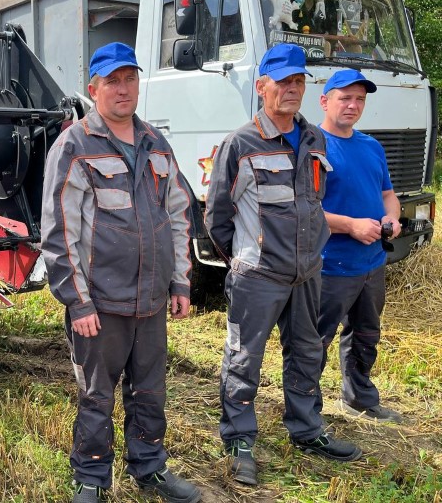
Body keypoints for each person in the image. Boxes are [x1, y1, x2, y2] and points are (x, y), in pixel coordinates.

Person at [41, 42, 201, 503]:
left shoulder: (156, 143)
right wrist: (78, 302)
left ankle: (149, 467)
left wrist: (180, 281)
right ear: (93, 89)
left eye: (130, 78)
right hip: (101, 303)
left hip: (150, 300)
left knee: (150, 390)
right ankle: (90, 478)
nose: (123, 88)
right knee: (97, 395)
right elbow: (59, 231)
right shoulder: (74, 146)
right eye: (112, 81)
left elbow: (178, 214)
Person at [205, 43, 361, 487]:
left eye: (298, 81)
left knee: (308, 354)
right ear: (261, 87)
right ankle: (239, 441)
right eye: (282, 82)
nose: (291, 89)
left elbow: (315, 202)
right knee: (243, 359)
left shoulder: (314, 139)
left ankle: (307, 430)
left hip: (307, 274)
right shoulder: (240, 144)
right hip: (258, 277)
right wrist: (245, 258)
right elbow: (216, 218)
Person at [315, 69, 403, 423]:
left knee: (366, 333)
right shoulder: (312, 147)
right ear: (325, 101)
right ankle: (306, 410)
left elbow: (388, 195)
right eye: (345, 98)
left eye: (360, 100)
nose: (353, 105)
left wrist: (391, 219)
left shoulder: (371, 146)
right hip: (330, 265)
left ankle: (359, 398)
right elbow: (303, 210)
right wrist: (350, 225)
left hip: (372, 262)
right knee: (315, 340)